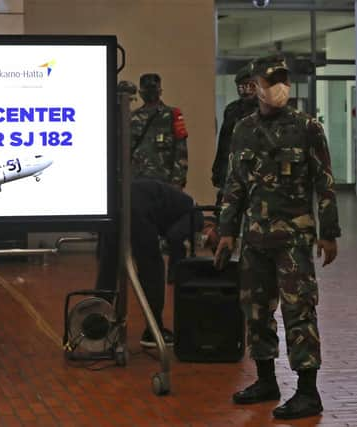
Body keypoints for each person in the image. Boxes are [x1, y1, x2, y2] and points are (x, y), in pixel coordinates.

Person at [215, 55, 340, 420]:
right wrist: (226, 232)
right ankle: (266, 380)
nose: (279, 87)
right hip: (254, 238)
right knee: (256, 311)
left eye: (283, 80)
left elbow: (325, 183)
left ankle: (307, 392)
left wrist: (329, 233)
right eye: (271, 81)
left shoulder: (307, 127)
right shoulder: (243, 128)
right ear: (255, 85)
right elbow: (234, 185)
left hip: (294, 240)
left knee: (299, 311)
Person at [96, 178, 210, 348]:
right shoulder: (197, 215)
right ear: (211, 225)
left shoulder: (181, 201)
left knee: (109, 268)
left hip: (115, 202)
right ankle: (153, 330)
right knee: (152, 270)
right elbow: (175, 236)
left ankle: (96, 325)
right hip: (138, 210)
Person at [131, 73, 190, 284]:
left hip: (165, 186)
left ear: (160, 90)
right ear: (140, 92)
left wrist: (178, 182)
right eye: (146, 89)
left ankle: (176, 270)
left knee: (173, 236)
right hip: (139, 186)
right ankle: (145, 275)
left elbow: (181, 151)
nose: (150, 93)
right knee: (144, 237)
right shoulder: (132, 118)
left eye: (153, 89)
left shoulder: (173, 115)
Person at [211, 65, 258, 204]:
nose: (246, 90)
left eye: (251, 85)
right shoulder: (232, 110)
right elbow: (224, 142)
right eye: (242, 86)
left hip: (256, 173)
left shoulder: (264, 110)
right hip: (231, 172)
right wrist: (218, 171)